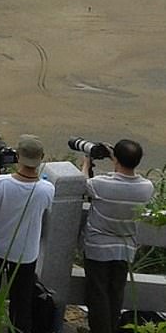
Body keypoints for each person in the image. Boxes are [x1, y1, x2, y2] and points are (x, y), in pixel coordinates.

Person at [80, 140, 155, 333]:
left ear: (116, 158)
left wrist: (86, 165)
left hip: (97, 249)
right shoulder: (146, 188)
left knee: (98, 297)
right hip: (125, 249)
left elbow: (81, 186)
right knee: (115, 296)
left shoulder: (100, 184)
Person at [0, 135, 54, 333]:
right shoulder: (47, 189)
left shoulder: (0, 183)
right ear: (41, 157)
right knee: (21, 303)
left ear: (17, 156)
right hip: (27, 253)